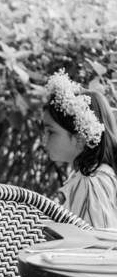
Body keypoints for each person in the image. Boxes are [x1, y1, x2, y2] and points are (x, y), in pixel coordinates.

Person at [42, 69, 117, 229]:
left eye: (50, 132)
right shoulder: (93, 177)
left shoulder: (89, 182)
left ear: (80, 139)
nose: (43, 139)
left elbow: (100, 240)